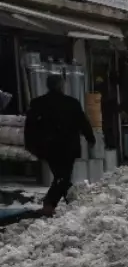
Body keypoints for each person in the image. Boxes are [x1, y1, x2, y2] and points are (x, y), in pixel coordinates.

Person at [23, 75, 95, 215]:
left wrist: (31, 145)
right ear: (61, 85)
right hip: (68, 147)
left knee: (61, 176)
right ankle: (51, 203)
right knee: (63, 177)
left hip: (49, 148)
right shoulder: (71, 103)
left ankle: (71, 202)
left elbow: (29, 127)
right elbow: (83, 122)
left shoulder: (38, 103)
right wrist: (90, 138)